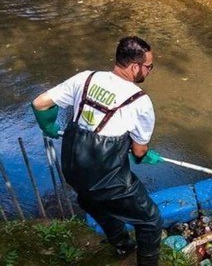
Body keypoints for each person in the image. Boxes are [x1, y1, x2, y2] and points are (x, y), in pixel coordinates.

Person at [31, 36, 164, 266]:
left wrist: (48, 125)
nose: (150, 71)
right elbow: (139, 150)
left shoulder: (86, 77)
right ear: (135, 67)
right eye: (149, 67)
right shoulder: (140, 101)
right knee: (151, 220)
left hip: (74, 169)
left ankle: (123, 244)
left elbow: (40, 103)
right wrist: (143, 156)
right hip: (105, 176)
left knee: (91, 200)